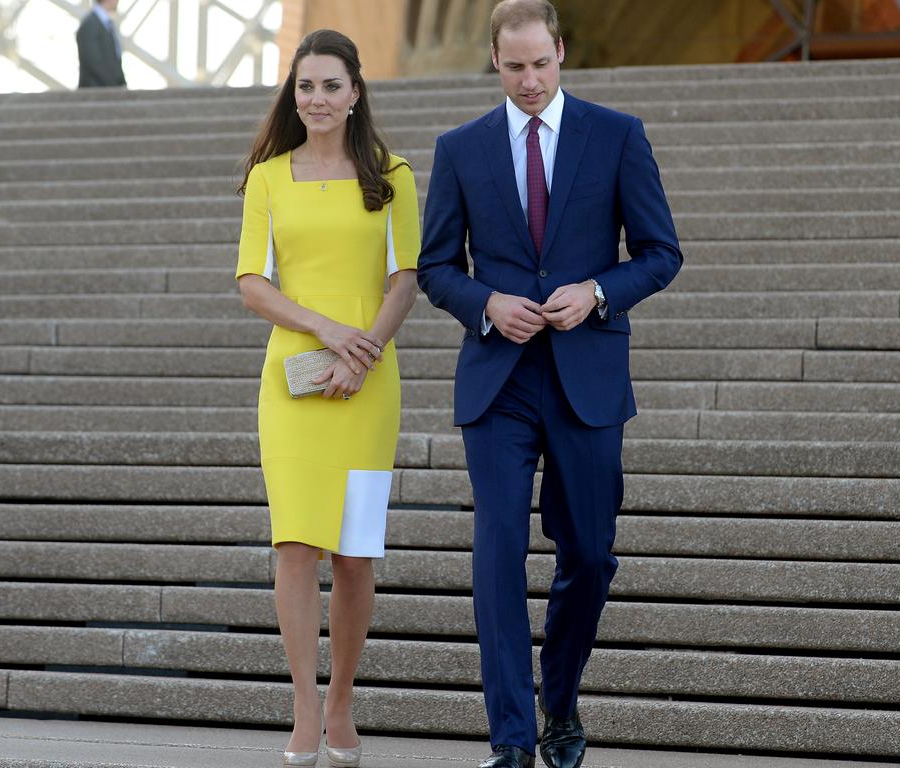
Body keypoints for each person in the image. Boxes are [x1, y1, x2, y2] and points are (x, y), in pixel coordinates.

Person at [417, 1, 683, 767]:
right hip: (499, 381)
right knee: (498, 552)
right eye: (514, 66)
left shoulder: (617, 135)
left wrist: (598, 293)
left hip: (586, 378)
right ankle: (510, 740)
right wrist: (487, 304)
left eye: (541, 63)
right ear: (493, 63)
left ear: (561, 52)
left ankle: (558, 700)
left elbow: (661, 252)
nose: (529, 81)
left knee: (591, 555)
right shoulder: (461, 148)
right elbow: (436, 268)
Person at [235, 28, 420, 768]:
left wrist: (363, 351)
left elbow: (405, 278)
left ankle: (342, 699)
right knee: (295, 545)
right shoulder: (267, 177)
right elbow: (253, 283)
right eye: (305, 86)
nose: (317, 99)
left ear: (356, 93)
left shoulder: (393, 174)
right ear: (294, 92)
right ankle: (305, 708)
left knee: (354, 553)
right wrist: (325, 331)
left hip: (370, 389)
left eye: (331, 86)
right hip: (293, 386)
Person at [76, 0, 126, 88]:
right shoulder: (90, 24)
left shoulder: (106, 24)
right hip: (96, 94)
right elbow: (93, 63)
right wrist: (115, 86)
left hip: (107, 92)